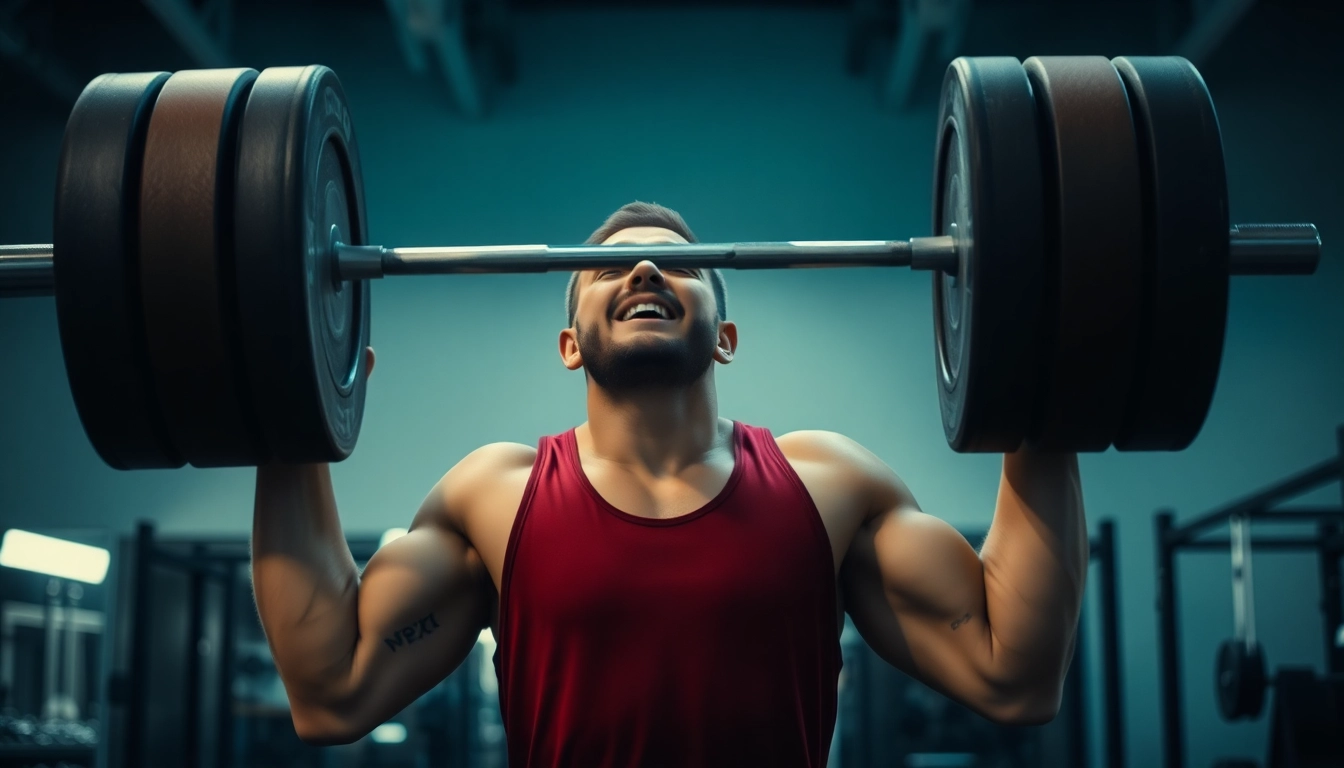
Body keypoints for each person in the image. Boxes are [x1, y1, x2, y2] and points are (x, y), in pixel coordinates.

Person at [251, 201, 1086, 767]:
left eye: (677, 264)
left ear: (724, 336)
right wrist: (294, 420)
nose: (646, 269)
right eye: (607, 271)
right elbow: (332, 693)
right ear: (569, 344)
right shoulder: (493, 497)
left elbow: (1014, 674)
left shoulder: (826, 485)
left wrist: (1036, 384)